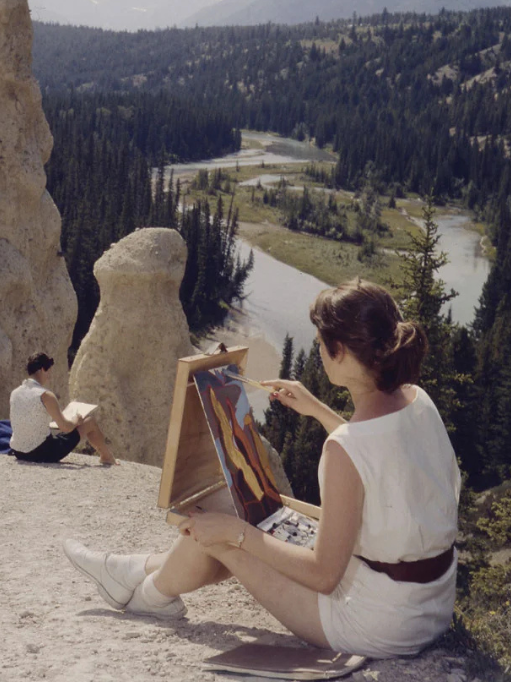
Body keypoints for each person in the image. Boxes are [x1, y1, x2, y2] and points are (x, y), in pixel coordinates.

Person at [63, 279, 458, 659]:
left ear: (339, 351)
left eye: (321, 344)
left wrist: (237, 534)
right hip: (429, 605)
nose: (318, 351)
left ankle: (148, 598)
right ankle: (130, 571)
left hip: (377, 624)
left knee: (222, 525)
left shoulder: (344, 450)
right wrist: (317, 410)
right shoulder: (417, 400)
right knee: (237, 517)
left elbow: (323, 576)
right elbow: (382, 458)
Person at [8, 354, 116, 466]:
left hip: (18, 451)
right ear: (41, 370)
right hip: (40, 453)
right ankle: (106, 457)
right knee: (90, 422)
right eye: (48, 371)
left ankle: (106, 456)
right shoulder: (45, 395)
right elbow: (66, 427)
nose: (49, 376)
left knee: (57, 434)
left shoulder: (15, 393)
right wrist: (76, 420)